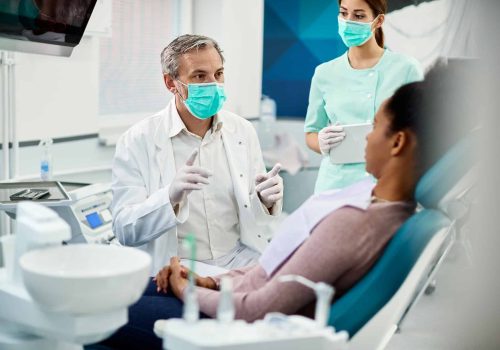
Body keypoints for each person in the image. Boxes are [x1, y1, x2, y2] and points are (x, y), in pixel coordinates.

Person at [95, 62, 469, 350]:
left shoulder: (355, 223)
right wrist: (204, 278)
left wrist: (184, 288)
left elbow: (254, 310)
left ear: (399, 143)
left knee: (90, 312)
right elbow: (269, 274)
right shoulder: (380, 210)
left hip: (238, 329)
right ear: (171, 82)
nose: (366, 138)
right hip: (228, 287)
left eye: (375, 126)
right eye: (200, 75)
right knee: (126, 289)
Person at [111, 34, 284, 274]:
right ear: (171, 83)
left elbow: (253, 219)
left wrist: (264, 202)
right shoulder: (137, 140)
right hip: (179, 269)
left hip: (238, 260)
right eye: (200, 76)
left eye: (219, 74)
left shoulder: (242, 130)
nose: (213, 84)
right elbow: (124, 230)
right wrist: (169, 198)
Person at [304, 0, 423, 193]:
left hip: (387, 184)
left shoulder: (406, 69)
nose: (348, 21)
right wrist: (321, 142)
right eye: (343, 13)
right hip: (335, 187)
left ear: (378, 21)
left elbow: (422, 132)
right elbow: (311, 133)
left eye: (359, 16)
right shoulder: (324, 73)